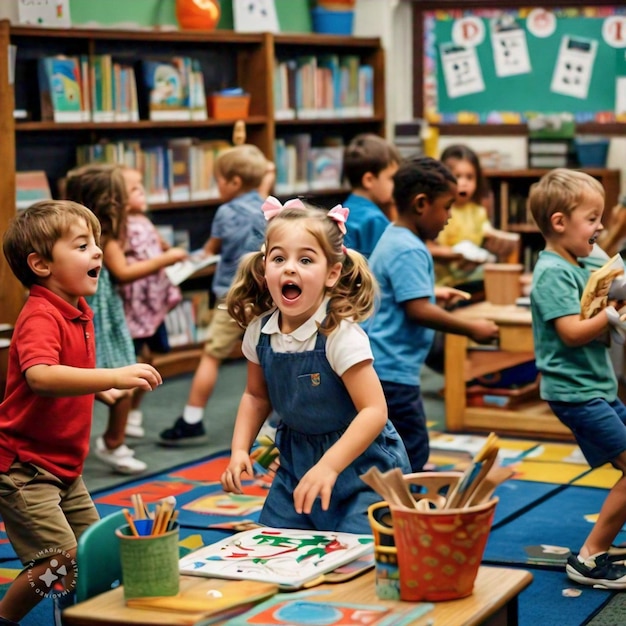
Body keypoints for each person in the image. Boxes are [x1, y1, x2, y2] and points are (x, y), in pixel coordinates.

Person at [0, 200, 161, 624]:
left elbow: (67, 374)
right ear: (40, 264)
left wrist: (96, 392)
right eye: (82, 245)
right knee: (59, 561)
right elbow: (42, 377)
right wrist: (111, 376)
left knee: (94, 550)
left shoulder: (76, 309)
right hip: (24, 469)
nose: (97, 252)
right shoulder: (40, 314)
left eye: (96, 243)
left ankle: (77, 616)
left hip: (64, 467)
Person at [220, 197, 411, 533]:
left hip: (364, 467)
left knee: (361, 560)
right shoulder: (259, 333)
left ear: (332, 274)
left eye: (305, 259)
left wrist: (329, 466)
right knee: (277, 545)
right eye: (278, 258)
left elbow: (374, 411)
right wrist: (239, 449)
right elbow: (255, 396)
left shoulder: (340, 336)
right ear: (265, 269)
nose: (290, 268)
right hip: (296, 464)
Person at [366, 156, 500, 472]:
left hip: (383, 365)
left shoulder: (394, 236)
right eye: (447, 206)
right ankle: (398, 510)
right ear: (422, 203)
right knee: (412, 446)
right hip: (393, 369)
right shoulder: (410, 248)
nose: (450, 216)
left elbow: (397, 291)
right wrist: (471, 329)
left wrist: (434, 293)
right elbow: (418, 311)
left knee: (390, 443)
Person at [529, 168, 626, 589]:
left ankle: (600, 547)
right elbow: (570, 332)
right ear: (559, 223)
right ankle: (589, 558)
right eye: (592, 219)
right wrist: (609, 315)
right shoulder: (552, 272)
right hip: (575, 393)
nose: (601, 227)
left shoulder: (584, 258)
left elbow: (611, 278)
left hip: (597, 388)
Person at [64, 163, 186, 474]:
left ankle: (113, 441)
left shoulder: (105, 230)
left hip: (106, 312)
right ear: (109, 201)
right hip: (96, 313)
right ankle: (111, 443)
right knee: (112, 383)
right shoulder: (99, 234)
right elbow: (121, 270)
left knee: (121, 382)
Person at [159, 144, 272, 446]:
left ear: (234, 182)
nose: (217, 186)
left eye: (219, 180)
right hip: (263, 298)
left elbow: (211, 250)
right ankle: (272, 425)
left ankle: (192, 419)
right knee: (268, 357)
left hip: (230, 298)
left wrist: (189, 258)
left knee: (211, 356)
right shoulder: (270, 210)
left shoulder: (225, 212)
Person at [116, 166, 185, 437]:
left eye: (142, 186)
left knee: (150, 357)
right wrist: (165, 259)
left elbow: (158, 245)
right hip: (133, 307)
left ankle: (134, 409)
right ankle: (121, 419)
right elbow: (122, 267)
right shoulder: (119, 228)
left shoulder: (144, 221)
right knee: (132, 360)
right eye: (134, 189)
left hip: (153, 304)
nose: (142, 192)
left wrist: (167, 250)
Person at [431, 144, 518, 287]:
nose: (463, 183)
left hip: (471, 281)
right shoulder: (437, 211)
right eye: (457, 176)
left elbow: (488, 234)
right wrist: (455, 254)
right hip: (441, 284)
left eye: (470, 177)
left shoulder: (478, 212)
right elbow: (428, 247)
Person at [341, 133, 401, 258]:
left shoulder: (343, 211)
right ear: (368, 180)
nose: (397, 184)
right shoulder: (374, 220)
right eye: (392, 178)